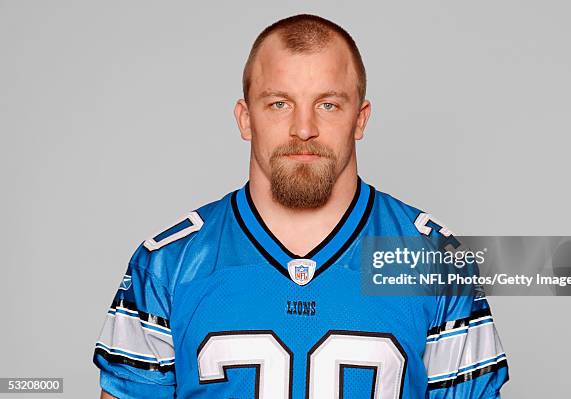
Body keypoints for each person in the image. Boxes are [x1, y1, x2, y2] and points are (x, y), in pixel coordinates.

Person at [94, 14, 509, 398]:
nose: (304, 129)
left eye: (328, 104)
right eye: (280, 104)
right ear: (245, 118)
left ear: (360, 119)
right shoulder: (167, 264)